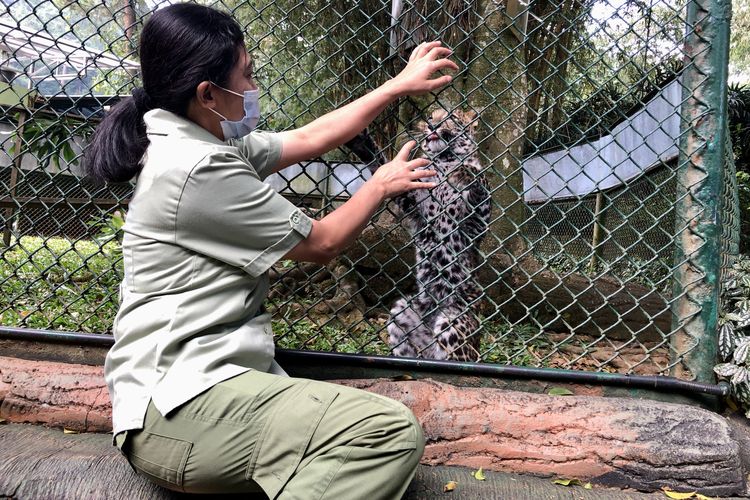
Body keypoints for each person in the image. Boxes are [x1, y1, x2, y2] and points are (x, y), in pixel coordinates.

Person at [83, 3, 457, 499]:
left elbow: (309, 137)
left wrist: (395, 86)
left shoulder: (196, 138)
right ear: (208, 93)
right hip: (179, 408)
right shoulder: (196, 168)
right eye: (248, 75)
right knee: (387, 431)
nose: (254, 89)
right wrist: (380, 184)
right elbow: (322, 243)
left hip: (189, 393)